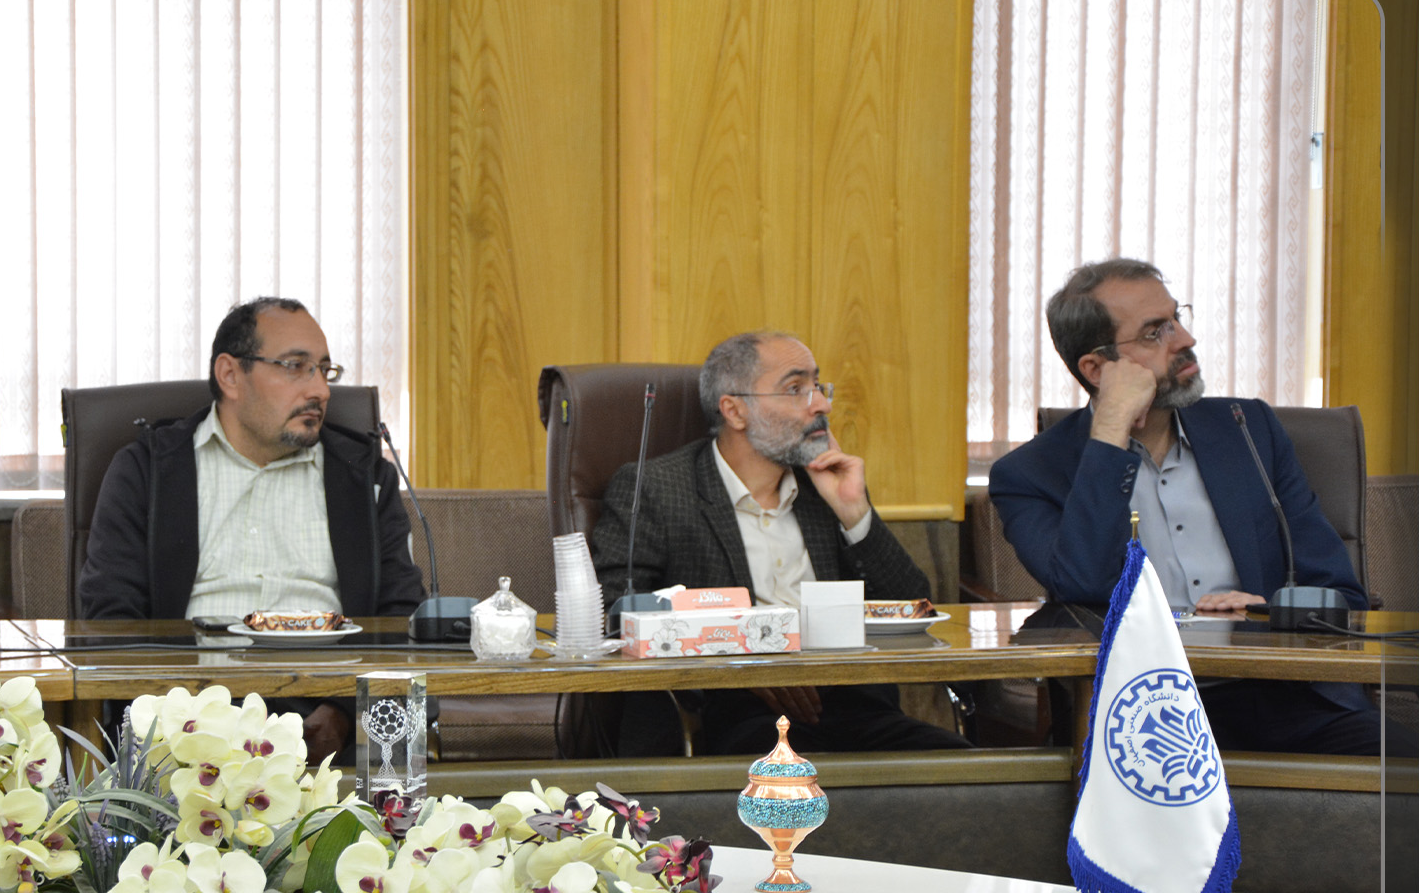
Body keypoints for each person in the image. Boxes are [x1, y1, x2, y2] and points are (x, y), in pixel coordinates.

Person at [990, 257, 1414, 755]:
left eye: (1176, 318)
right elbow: (1082, 579)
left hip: (1287, 697)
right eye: (1155, 332)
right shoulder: (1028, 474)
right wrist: (1110, 432)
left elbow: (1342, 592)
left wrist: (1271, 609)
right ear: (1097, 369)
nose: (1185, 339)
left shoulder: (1248, 430)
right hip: (1140, 715)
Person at [589, 331, 971, 756]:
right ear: (735, 411)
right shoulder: (656, 488)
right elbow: (618, 612)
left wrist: (854, 513)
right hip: (730, 717)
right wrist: (747, 663)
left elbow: (912, 605)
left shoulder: (824, 489)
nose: (821, 404)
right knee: (791, 776)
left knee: (971, 772)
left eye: (818, 386)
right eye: (795, 389)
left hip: (854, 712)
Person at [78, 296, 425, 759]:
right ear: (230, 375)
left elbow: (402, 617)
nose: (320, 390)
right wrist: (179, 720)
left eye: (325, 370)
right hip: (185, 718)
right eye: (296, 367)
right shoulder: (148, 471)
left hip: (328, 719)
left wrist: (344, 713)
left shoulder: (364, 477)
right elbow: (112, 620)